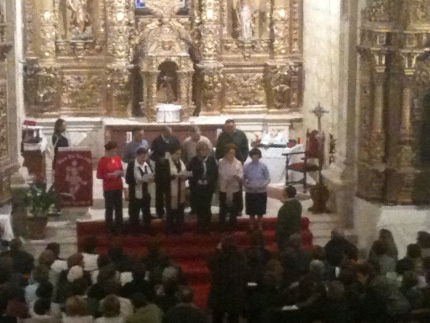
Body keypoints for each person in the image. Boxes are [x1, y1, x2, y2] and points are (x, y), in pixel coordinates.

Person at [207, 236, 248, 323]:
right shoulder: (240, 258)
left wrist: (217, 250)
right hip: (235, 294)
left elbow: (209, 263)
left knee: (217, 317)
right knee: (234, 318)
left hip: (219, 293)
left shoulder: (218, 258)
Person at [187, 141, 218, 234]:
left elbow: (214, 173)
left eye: (206, 149)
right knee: (199, 208)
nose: (204, 151)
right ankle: (200, 227)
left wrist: (208, 180)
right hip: (197, 188)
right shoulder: (194, 160)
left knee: (207, 207)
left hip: (208, 187)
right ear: (198, 151)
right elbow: (190, 172)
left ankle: (207, 227)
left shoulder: (212, 160)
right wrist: (197, 180)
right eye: (202, 149)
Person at [150, 126, 181, 219]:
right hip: (160, 169)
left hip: (172, 168)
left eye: (170, 133)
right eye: (167, 133)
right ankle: (160, 212)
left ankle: (170, 211)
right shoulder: (156, 141)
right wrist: (159, 159)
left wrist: (176, 156)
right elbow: (152, 155)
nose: (169, 135)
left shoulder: (174, 140)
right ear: (163, 132)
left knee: (170, 192)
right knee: (159, 192)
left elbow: (179, 150)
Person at [97, 141, 124, 235]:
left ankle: (119, 228)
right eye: (112, 151)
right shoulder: (102, 160)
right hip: (108, 188)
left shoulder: (117, 158)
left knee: (119, 208)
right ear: (107, 151)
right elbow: (99, 175)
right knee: (109, 209)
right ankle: (108, 229)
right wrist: (109, 175)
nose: (114, 153)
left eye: (115, 151)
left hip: (118, 186)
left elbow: (121, 170)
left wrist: (120, 173)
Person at [125, 147, 154, 234]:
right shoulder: (131, 165)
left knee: (146, 213)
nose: (143, 159)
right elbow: (128, 179)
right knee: (134, 214)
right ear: (137, 156)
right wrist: (138, 181)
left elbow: (151, 174)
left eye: (145, 157)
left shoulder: (147, 164)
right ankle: (135, 232)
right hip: (135, 194)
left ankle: (146, 231)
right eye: (142, 157)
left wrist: (151, 178)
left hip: (145, 193)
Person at [243, 148, 270, 232]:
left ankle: (259, 226)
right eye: (253, 155)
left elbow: (268, 179)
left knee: (260, 211)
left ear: (259, 156)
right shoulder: (246, 166)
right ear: (251, 156)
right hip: (250, 191)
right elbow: (243, 178)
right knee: (251, 211)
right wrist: (247, 185)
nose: (255, 157)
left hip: (261, 191)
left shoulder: (263, 166)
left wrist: (262, 185)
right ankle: (251, 226)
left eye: (257, 155)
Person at [218, 145, 243, 230]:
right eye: (229, 153)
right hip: (224, 188)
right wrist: (228, 178)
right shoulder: (221, 161)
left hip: (234, 188)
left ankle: (232, 226)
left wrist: (237, 177)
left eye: (233, 153)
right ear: (226, 153)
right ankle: (222, 226)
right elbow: (220, 172)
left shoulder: (238, 163)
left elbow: (241, 174)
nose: (231, 155)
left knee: (234, 208)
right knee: (223, 208)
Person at [165, 146, 188, 235]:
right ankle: (170, 230)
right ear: (171, 154)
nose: (178, 156)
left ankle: (179, 229)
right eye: (176, 154)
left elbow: (184, 172)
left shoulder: (181, 163)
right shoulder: (166, 163)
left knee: (180, 211)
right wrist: (174, 176)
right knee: (171, 212)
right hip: (171, 190)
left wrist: (184, 176)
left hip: (180, 189)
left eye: (179, 154)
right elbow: (164, 177)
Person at [275, 185, 302, 251]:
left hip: (286, 237)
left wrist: (277, 238)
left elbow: (281, 225)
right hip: (296, 232)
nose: (282, 191)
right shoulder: (298, 204)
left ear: (286, 193)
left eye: (283, 190)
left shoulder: (284, 209)